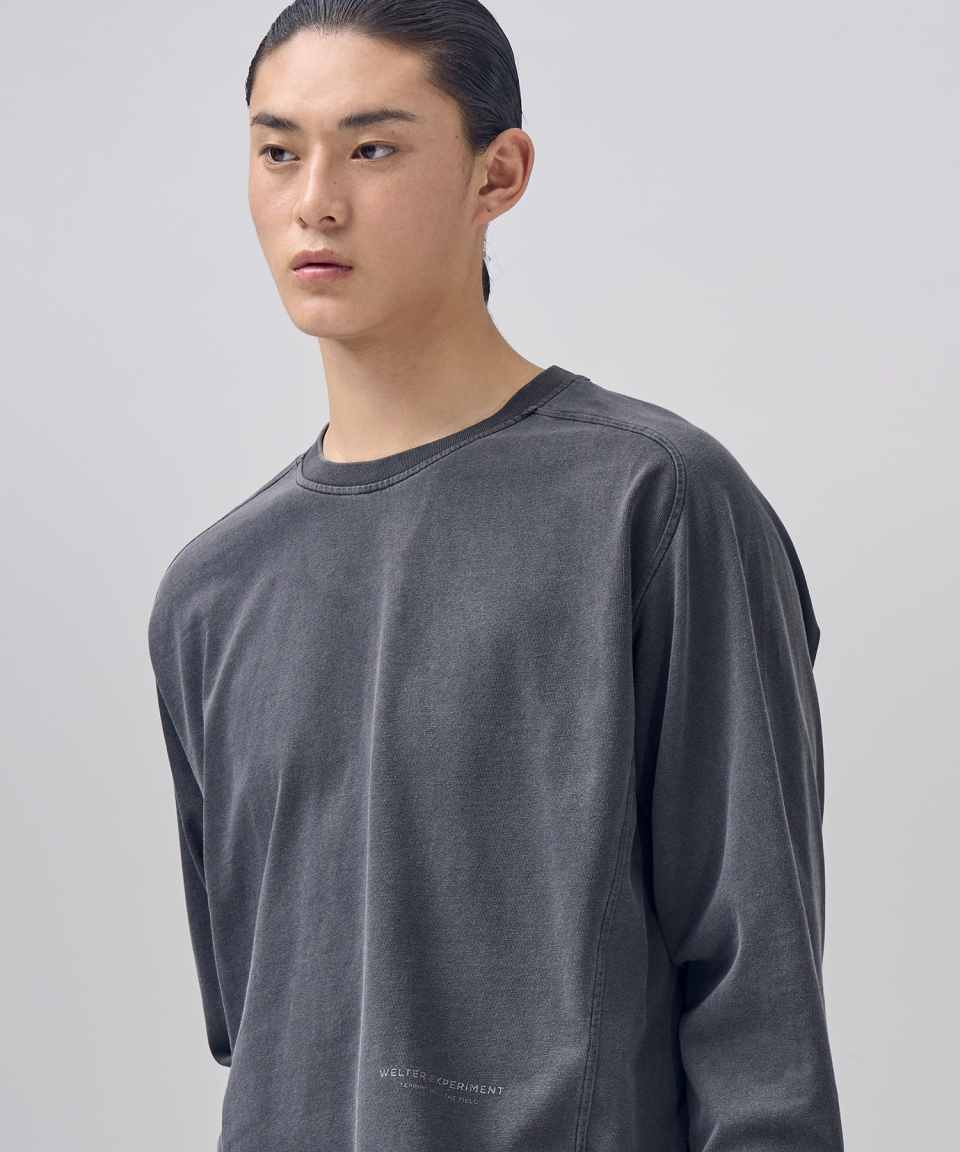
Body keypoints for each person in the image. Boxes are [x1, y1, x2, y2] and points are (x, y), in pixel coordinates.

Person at [147, 2, 845, 1149]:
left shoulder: (654, 504)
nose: (316, 200)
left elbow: (757, 1012)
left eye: (373, 148)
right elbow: (264, 1021)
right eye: (278, 152)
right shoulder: (211, 595)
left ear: (499, 173)